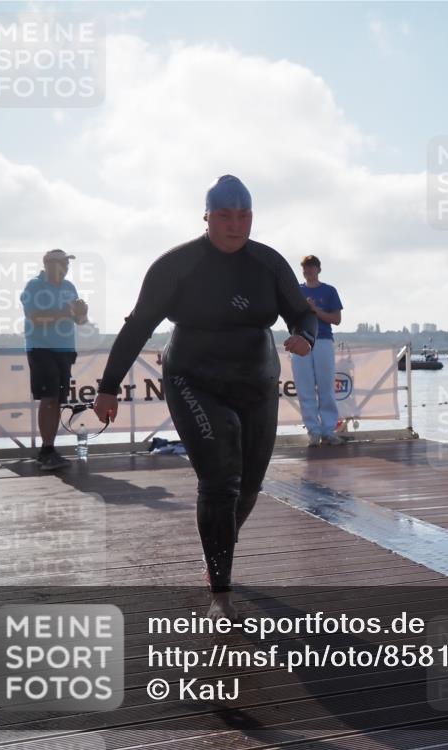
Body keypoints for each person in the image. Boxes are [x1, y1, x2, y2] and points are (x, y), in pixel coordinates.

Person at [92, 175, 317, 621]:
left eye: (244, 216)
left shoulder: (268, 264)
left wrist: (304, 336)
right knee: (219, 480)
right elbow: (138, 326)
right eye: (225, 216)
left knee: (249, 486)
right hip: (194, 379)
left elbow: (302, 312)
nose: (236, 225)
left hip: (256, 381)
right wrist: (107, 386)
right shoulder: (176, 266)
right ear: (207, 217)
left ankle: (217, 547)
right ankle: (220, 590)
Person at [20, 249, 89, 471]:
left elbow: (80, 321)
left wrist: (81, 313)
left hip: (65, 349)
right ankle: (46, 450)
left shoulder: (69, 287)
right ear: (48, 264)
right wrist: (67, 313)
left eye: (67, 264)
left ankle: (50, 449)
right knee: (48, 398)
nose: (65, 268)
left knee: (58, 399)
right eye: (61, 263)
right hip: (41, 348)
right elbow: (36, 318)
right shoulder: (34, 286)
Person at [291, 255, 344, 446]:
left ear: (318, 269)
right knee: (304, 388)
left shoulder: (329, 291)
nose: (308, 271)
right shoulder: (296, 290)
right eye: (305, 268)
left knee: (326, 387)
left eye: (312, 267)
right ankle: (313, 430)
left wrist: (315, 311)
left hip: (322, 341)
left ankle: (328, 430)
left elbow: (336, 319)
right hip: (301, 340)